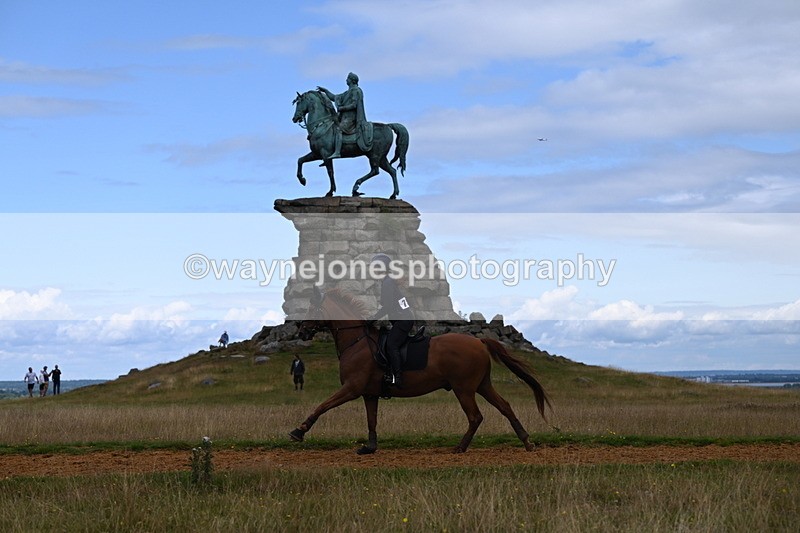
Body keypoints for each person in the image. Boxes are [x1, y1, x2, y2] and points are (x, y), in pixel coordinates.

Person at [370, 253, 414, 388]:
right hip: (401, 320)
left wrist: (373, 319)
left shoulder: (388, 282)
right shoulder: (387, 281)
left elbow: (387, 306)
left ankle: (398, 378)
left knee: (391, 345)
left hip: (403, 320)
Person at [317, 72, 373, 159]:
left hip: (351, 119)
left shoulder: (356, 91)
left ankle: (337, 152)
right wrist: (325, 91)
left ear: (352, 80)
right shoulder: (347, 92)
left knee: (338, 129)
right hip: (345, 118)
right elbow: (334, 97)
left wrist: (342, 108)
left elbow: (354, 105)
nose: (346, 80)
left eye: (348, 78)